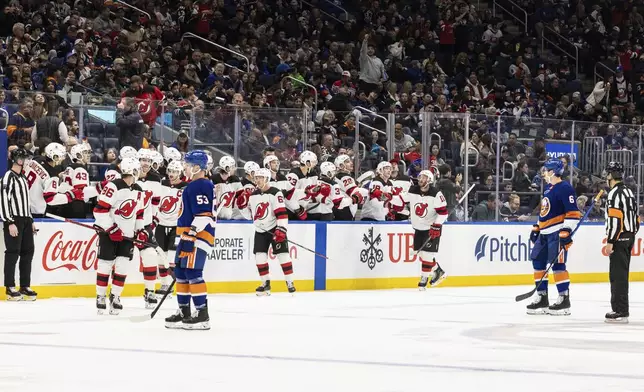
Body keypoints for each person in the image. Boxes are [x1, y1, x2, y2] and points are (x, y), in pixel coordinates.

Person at [165, 150, 216, 330]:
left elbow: (203, 215)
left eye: (187, 165)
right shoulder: (194, 185)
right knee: (181, 272)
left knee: (193, 273)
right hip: (188, 235)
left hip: (197, 237)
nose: (184, 168)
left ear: (196, 167)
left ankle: (202, 314)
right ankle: (184, 311)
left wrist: (190, 235)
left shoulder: (200, 185)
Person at [527, 159, 580, 316]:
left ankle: (564, 299)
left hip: (556, 233)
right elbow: (545, 211)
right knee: (537, 262)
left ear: (553, 172)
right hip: (544, 234)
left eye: (546, 170)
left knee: (557, 265)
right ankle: (542, 297)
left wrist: (566, 231)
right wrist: (537, 226)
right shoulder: (548, 189)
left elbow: (573, 213)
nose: (543, 173)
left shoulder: (565, 188)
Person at [92, 157, 143, 315]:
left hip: (127, 236)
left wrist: (140, 231)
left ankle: (115, 296)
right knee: (105, 265)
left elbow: (139, 214)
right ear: (133, 171)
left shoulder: (139, 190)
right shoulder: (113, 186)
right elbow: (99, 210)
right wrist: (111, 228)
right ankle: (100, 296)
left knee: (122, 266)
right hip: (109, 234)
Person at [392, 170, 449, 289]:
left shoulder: (436, 194)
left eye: (423, 177)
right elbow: (402, 199)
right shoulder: (413, 190)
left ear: (429, 180)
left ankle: (424, 278)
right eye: (420, 177)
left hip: (431, 228)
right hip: (418, 228)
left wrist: (436, 225)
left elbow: (443, 213)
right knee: (421, 254)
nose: (420, 179)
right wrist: (389, 198)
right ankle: (438, 270)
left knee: (427, 255)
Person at [247, 168, 296, 295]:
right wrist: (242, 207)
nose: (257, 180)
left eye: (260, 178)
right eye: (256, 178)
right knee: (260, 257)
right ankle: (265, 283)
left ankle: (290, 282)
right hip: (260, 230)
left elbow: (282, 213)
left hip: (275, 229)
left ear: (267, 178)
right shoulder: (253, 195)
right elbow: (250, 215)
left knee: (283, 255)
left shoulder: (275, 193)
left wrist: (281, 229)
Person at [604, 162, 640, 323]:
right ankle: (621, 309)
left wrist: (611, 241)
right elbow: (636, 218)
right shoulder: (629, 192)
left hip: (619, 237)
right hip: (629, 235)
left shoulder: (613, 194)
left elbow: (615, 220)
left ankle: (620, 311)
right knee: (622, 274)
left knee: (617, 275)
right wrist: (631, 234)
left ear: (611, 176)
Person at [0, 148, 37, 301]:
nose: (27, 161)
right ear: (18, 160)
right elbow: (3, 201)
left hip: (26, 220)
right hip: (14, 219)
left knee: (28, 252)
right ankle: (9, 287)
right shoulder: (8, 177)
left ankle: (24, 285)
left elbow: (26, 202)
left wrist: (31, 220)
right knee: (12, 253)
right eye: (25, 158)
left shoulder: (23, 178)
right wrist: (9, 222)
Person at [134, 148, 163, 308]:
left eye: (148, 161)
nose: (145, 164)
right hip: (126, 224)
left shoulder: (156, 179)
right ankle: (114, 294)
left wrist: (151, 224)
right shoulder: (130, 175)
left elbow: (155, 204)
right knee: (119, 260)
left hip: (144, 225)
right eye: (142, 160)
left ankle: (150, 291)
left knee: (150, 255)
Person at [23, 142, 83, 217]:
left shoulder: (36, 159)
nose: (63, 158)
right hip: (35, 211)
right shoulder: (52, 175)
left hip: (22, 204)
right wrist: (70, 196)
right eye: (62, 156)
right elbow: (50, 199)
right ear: (55, 157)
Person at [155, 160, 188, 294]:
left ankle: (175, 283)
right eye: (170, 171)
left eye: (175, 172)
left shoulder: (186, 187)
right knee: (160, 256)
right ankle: (164, 285)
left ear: (180, 173)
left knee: (172, 256)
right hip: (161, 224)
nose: (171, 174)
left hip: (176, 226)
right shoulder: (161, 184)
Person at [60, 143, 100, 218]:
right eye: (85, 152)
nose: (88, 155)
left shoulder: (69, 167)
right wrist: (98, 189)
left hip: (66, 203)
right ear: (78, 155)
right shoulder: (80, 168)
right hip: (76, 205)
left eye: (88, 152)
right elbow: (81, 191)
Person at [333, 154, 366, 221]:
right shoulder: (345, 177)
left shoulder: (338, 176)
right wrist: (369, 191)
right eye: (347, 161)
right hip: (345, 210)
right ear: (341, 166)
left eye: (350, 161)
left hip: (340, 209)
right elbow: (355, 192)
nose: (351, 163)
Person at [212, 155, 242, 220]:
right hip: (215, 217)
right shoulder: (213, 179)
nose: (234, 169)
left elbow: (241, 198)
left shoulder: (235, 179)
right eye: (233, 167)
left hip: (230, 217)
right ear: (227, 168)